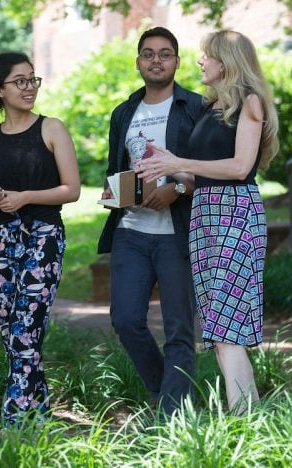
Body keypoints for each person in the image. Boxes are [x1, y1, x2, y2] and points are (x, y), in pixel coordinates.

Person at [136, 30, 279, 414]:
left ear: (226, 62)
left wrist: (179, 163)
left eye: (206, 55)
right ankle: (249, 418)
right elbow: (206, 176)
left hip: (235, 214)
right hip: (206, 213)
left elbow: (239, 168)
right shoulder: (214, 108)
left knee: (227, 326)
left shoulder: (250, 103)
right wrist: (165, 163)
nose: (200, 61)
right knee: (218, 327)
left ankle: (243, 422)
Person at [97, 27, 207, 415]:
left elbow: (211, 174)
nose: (156, 60)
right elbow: (117, 168)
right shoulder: (124, 112)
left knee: (179, 328)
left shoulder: (196, 108)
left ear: (176, 61)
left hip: (179, 233)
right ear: (138, 61)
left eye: (165, 53)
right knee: (126, 320)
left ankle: (173, 415)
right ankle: (166, 390)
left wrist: (175, 189)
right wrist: (115, 193)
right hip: (131, 231)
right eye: (148, 54)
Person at [0, 52, 80, 426]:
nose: (29, 87)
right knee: (12, 334)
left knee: (25, 330)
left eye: (33, 79)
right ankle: (40, 412)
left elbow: (73, 190)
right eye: (21, 81)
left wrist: (25, 197)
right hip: (0, 241)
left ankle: (14, 418)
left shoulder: (52, 129)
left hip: (44, 237)